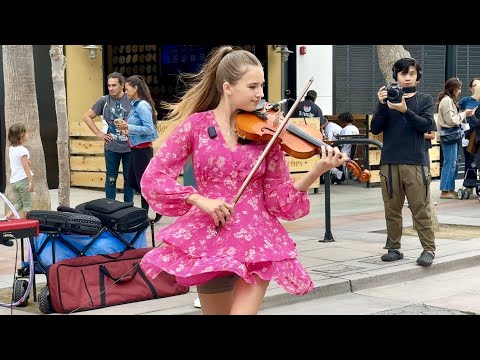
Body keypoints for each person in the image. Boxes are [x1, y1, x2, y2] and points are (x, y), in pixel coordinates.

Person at [138, 46, 348, 315]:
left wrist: (316, 171)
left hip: (256, 240)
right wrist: (198, 199)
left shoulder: (269, 133)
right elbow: (154, 177)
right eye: (252, 86)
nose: (261, 94)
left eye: (261, 85)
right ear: (228, 87)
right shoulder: (196, 125)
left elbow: (279, 198)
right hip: (209, 237)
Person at [371, 57, 437, 267]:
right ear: (396, 77)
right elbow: (375, 128)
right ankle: (393, 248)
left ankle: (428, 249)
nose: (407, 78)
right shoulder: (388, 100)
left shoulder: (425, 99)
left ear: (417, 77)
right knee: (392, 208)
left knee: (421, 208)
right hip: (389, 162)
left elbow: (426, 125)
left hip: (416, 162)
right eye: (403, 74)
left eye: (412, 74)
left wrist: (404, 110)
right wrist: (382, 105)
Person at [83, 72, 134, 203]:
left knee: (129, 180)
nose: (111, 88)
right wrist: (98, 133)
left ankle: (128, 209)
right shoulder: (104, 100)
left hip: (130, 148)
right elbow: (87, 116)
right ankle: (109, 209)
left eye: (114, 85)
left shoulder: (132, 99)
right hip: (111, 147)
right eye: (109, 85)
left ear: (122, 85)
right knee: (111, 178)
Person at [114, 75, 158, 212]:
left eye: (127, 89)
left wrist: (128, 127)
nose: (126, 92)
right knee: (132, 181)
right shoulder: (135, 106)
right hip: (135, 149)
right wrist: (127, 130)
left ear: (135, 88)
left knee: (141, 183)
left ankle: (148, 210)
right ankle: (155, 203)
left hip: (143, 150)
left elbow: (149, 129)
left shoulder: (142, 106)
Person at [437, 77, 474, 199]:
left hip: (451, 135)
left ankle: (449, 189)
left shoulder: (448, 100)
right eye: (459, 89)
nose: (460, 92)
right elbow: (451, 120)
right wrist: (465, 113)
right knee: (451, 163)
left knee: (453, 162)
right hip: (450, 134)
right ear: (453, 89)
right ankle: (445, 191)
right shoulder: (447, 101)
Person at [1, 124, 34, 246]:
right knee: (27, 205)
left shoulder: (12, 149)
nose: (27, 135)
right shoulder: (23, 150)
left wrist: (27, 161)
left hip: (14, 181)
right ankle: (27, 228)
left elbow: (20, 162)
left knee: (19, 203)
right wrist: (31, 181)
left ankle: (5, 218)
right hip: (23, 179)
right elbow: (25, 166)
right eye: (26, 132)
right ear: (21, 135)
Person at [458, 78, 480, 176]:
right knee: (470, 159)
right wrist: (465, 114)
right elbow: (457, 111)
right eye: (475, 85)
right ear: (471, 88)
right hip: (469, 133)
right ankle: (470, 184)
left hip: (478, 132)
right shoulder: (466, 100)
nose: (477, 87)